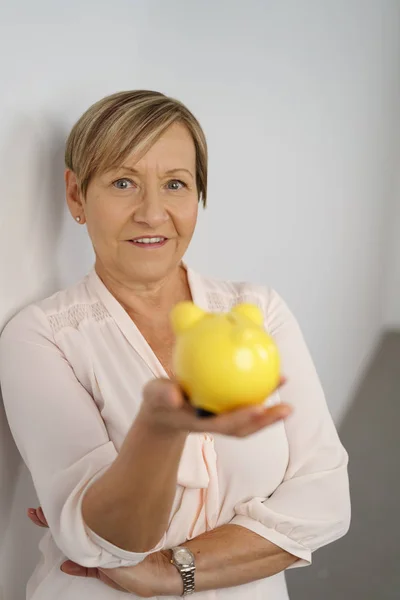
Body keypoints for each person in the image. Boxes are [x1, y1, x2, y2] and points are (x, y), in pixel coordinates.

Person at [0, 90, 350, 600]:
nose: (152, 212)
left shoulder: (257, 312)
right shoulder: (42, 336)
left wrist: (172, 569)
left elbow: (325, 498)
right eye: (123, 182)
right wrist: (158, 432)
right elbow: (103, 540)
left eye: (175, 184)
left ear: (197, 196)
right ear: (76, 196)